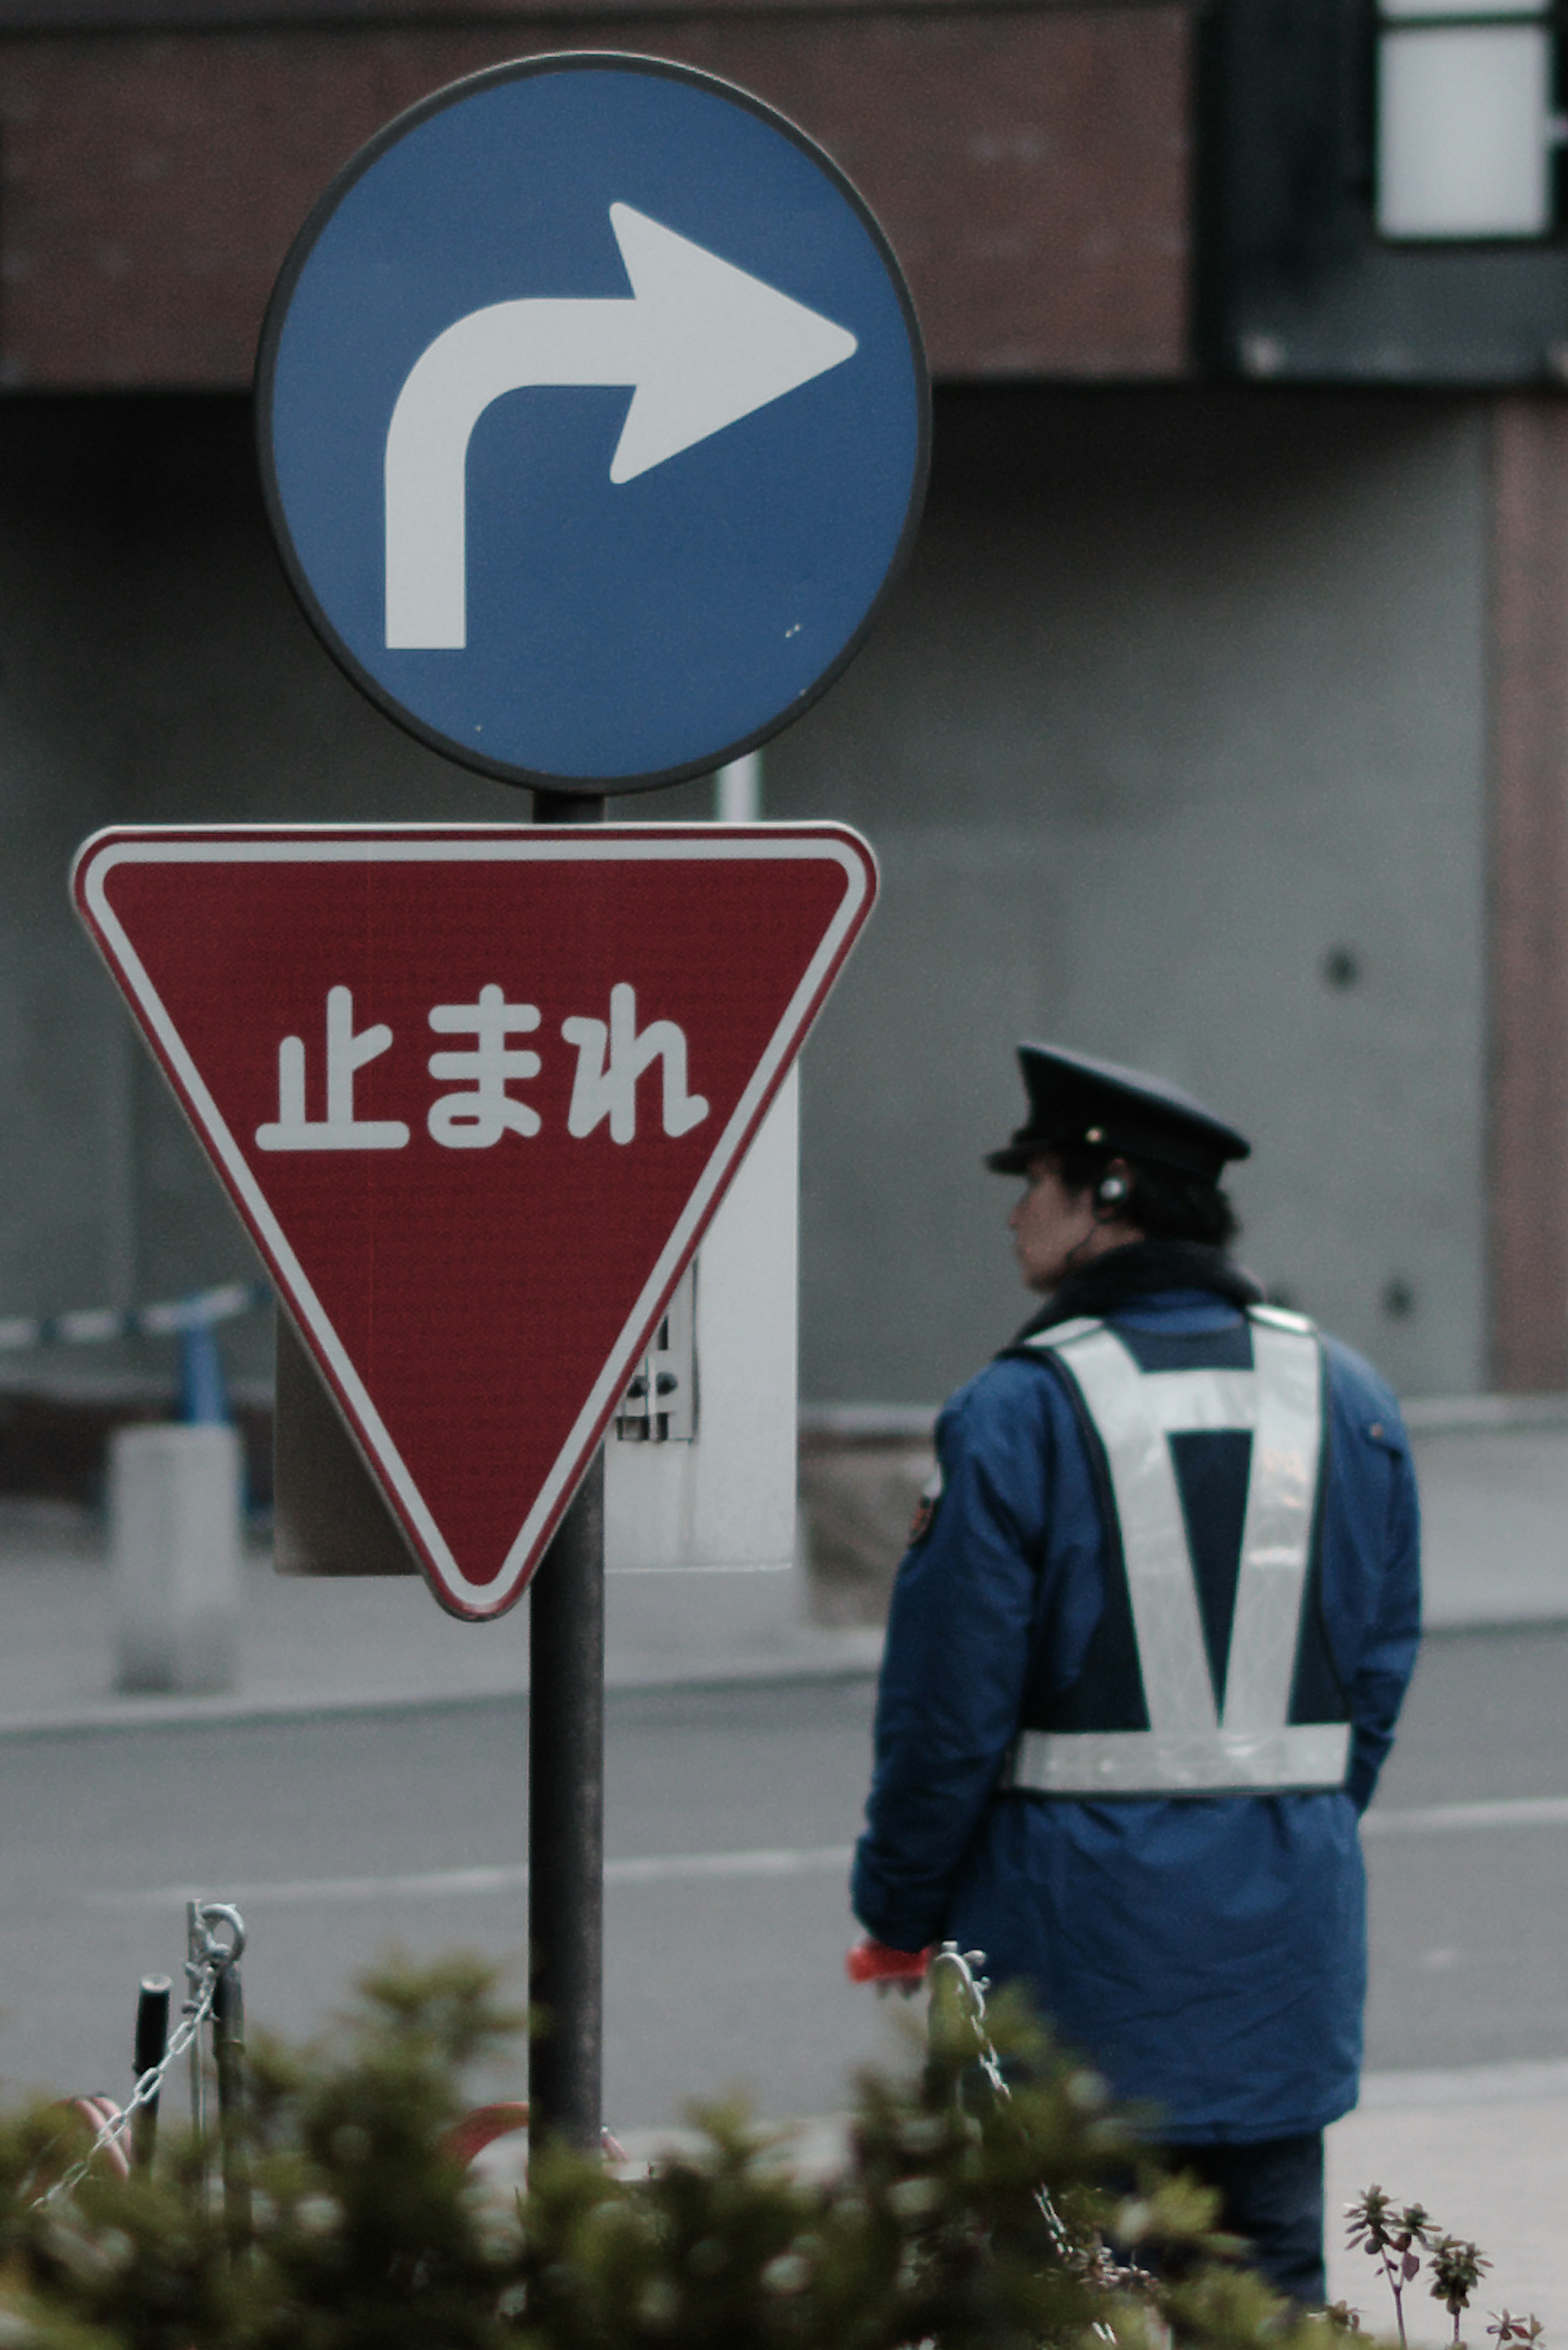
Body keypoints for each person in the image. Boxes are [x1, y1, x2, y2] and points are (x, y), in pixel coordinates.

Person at [849, 1041, 1421, 2305]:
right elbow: (1374, 1679)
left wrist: (896, 1909)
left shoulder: (1016, 1411)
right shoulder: (1352, 1396)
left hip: (1066, 1970)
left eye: (1036, 1181)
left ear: (1106, 1196)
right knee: (1261, 2299)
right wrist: (1283, 1829)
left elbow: (947, 1711)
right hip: (1280, 1955)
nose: (1015, 1212)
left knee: (1045, 2302)